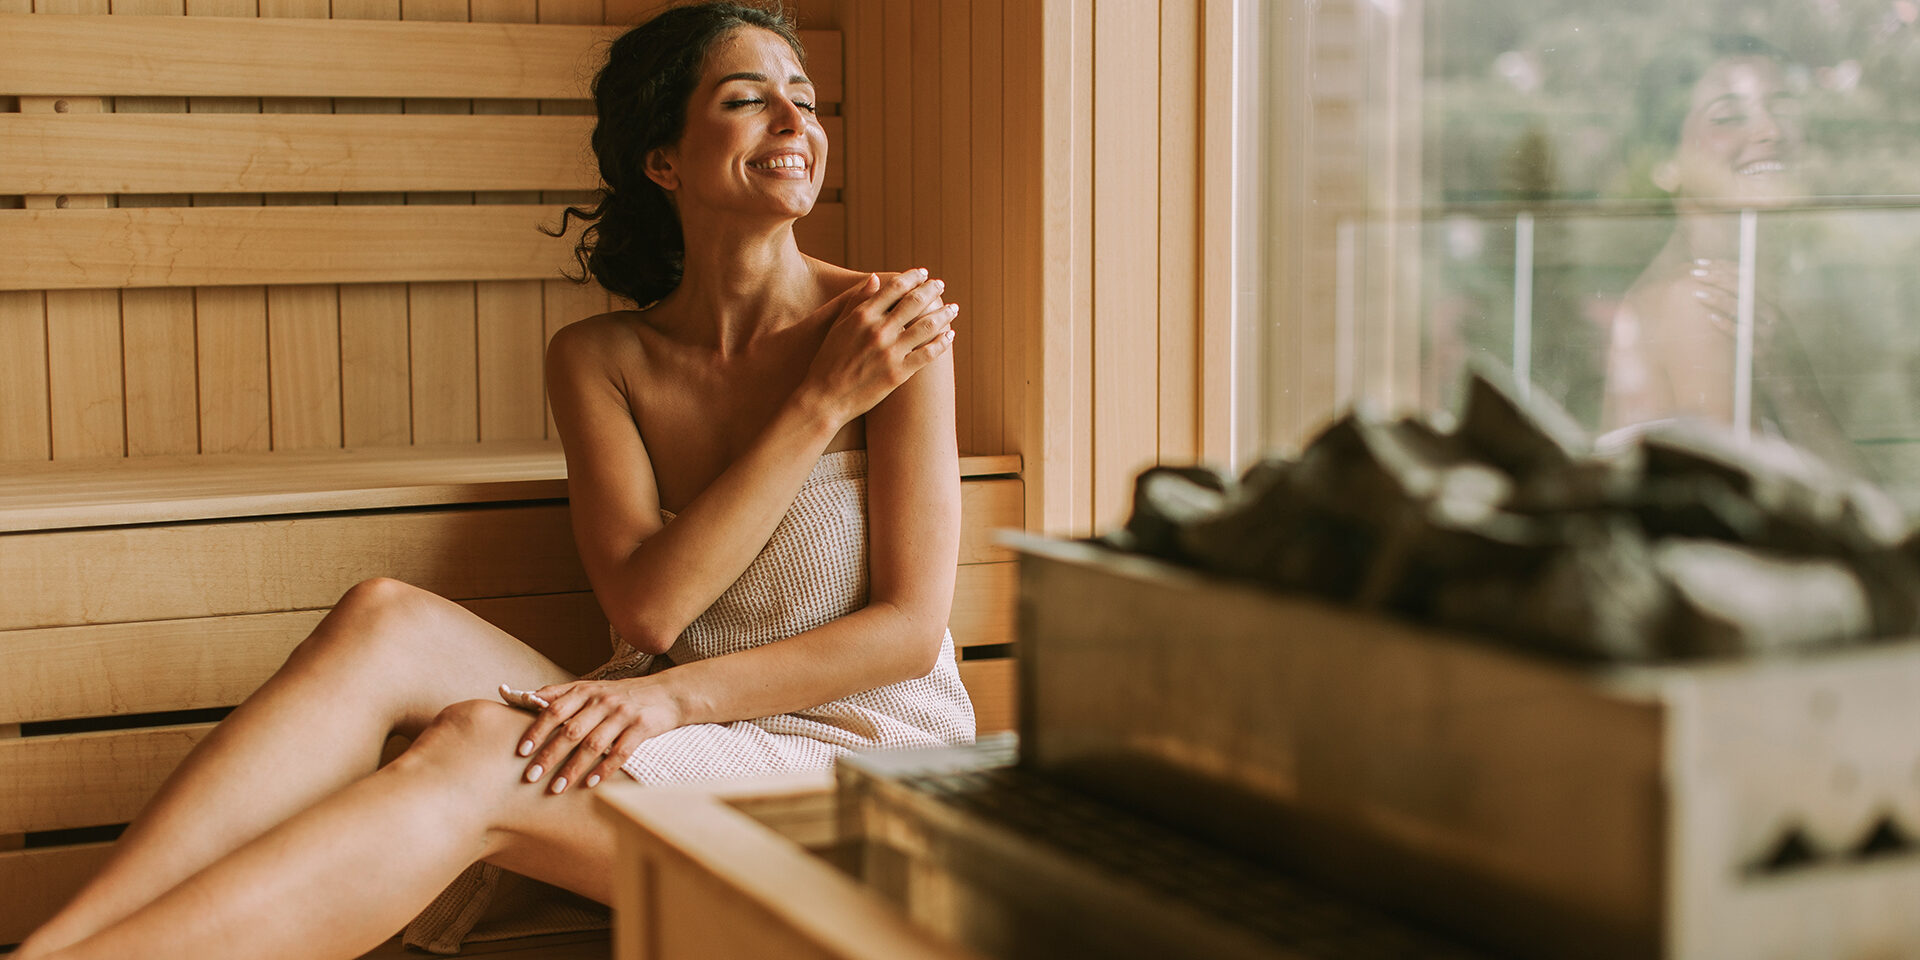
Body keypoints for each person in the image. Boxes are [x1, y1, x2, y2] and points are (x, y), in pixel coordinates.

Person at [17, 4, 972, 958]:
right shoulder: (605, 357)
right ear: (663, 160)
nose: (795, 123)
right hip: (667, 736)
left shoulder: (888, 329)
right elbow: (650, 610)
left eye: (803, 101)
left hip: (860, 777)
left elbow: (906, 631)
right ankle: (60, 947)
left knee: (482, 743)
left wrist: (670, 701)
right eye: (747, 99)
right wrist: (817, 407)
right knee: (384, 619)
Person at [1600, 35, 1857, 468]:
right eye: (1728, 115)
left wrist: (1787, 380)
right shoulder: (1701, 301)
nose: (1771, 132)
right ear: (1667, 160)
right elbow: (1752, 517)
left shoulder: (1736, 299)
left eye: (1783, 109)